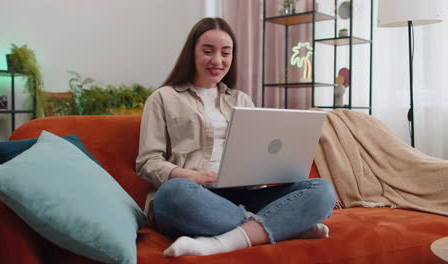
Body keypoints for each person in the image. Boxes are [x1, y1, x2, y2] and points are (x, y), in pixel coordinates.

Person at [136, 17, 336, 257]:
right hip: (195, 196)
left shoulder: (241, 100)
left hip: (243, 194)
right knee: (171, 195)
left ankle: (224, 240)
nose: (217, 61)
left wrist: (265, 171)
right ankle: (282, 225)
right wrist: (188, 175)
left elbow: (257, 153)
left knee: (322, 190)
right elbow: (148, 161)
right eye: (208, 51)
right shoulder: (162, 98)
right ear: (192, 53)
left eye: (226, 53)